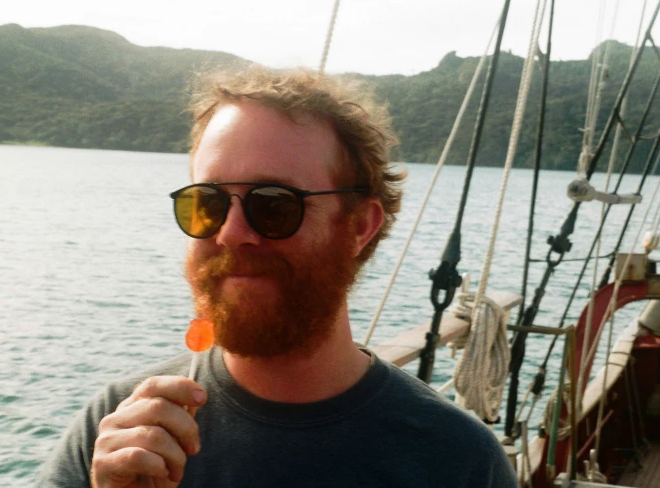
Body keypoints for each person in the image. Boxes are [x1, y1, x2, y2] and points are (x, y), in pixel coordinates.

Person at [37, 66, 518, 488]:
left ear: (359, 226)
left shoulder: (456, 462)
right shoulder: (121, 434)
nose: (232, 233)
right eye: (207, 202)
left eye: (274, 204)